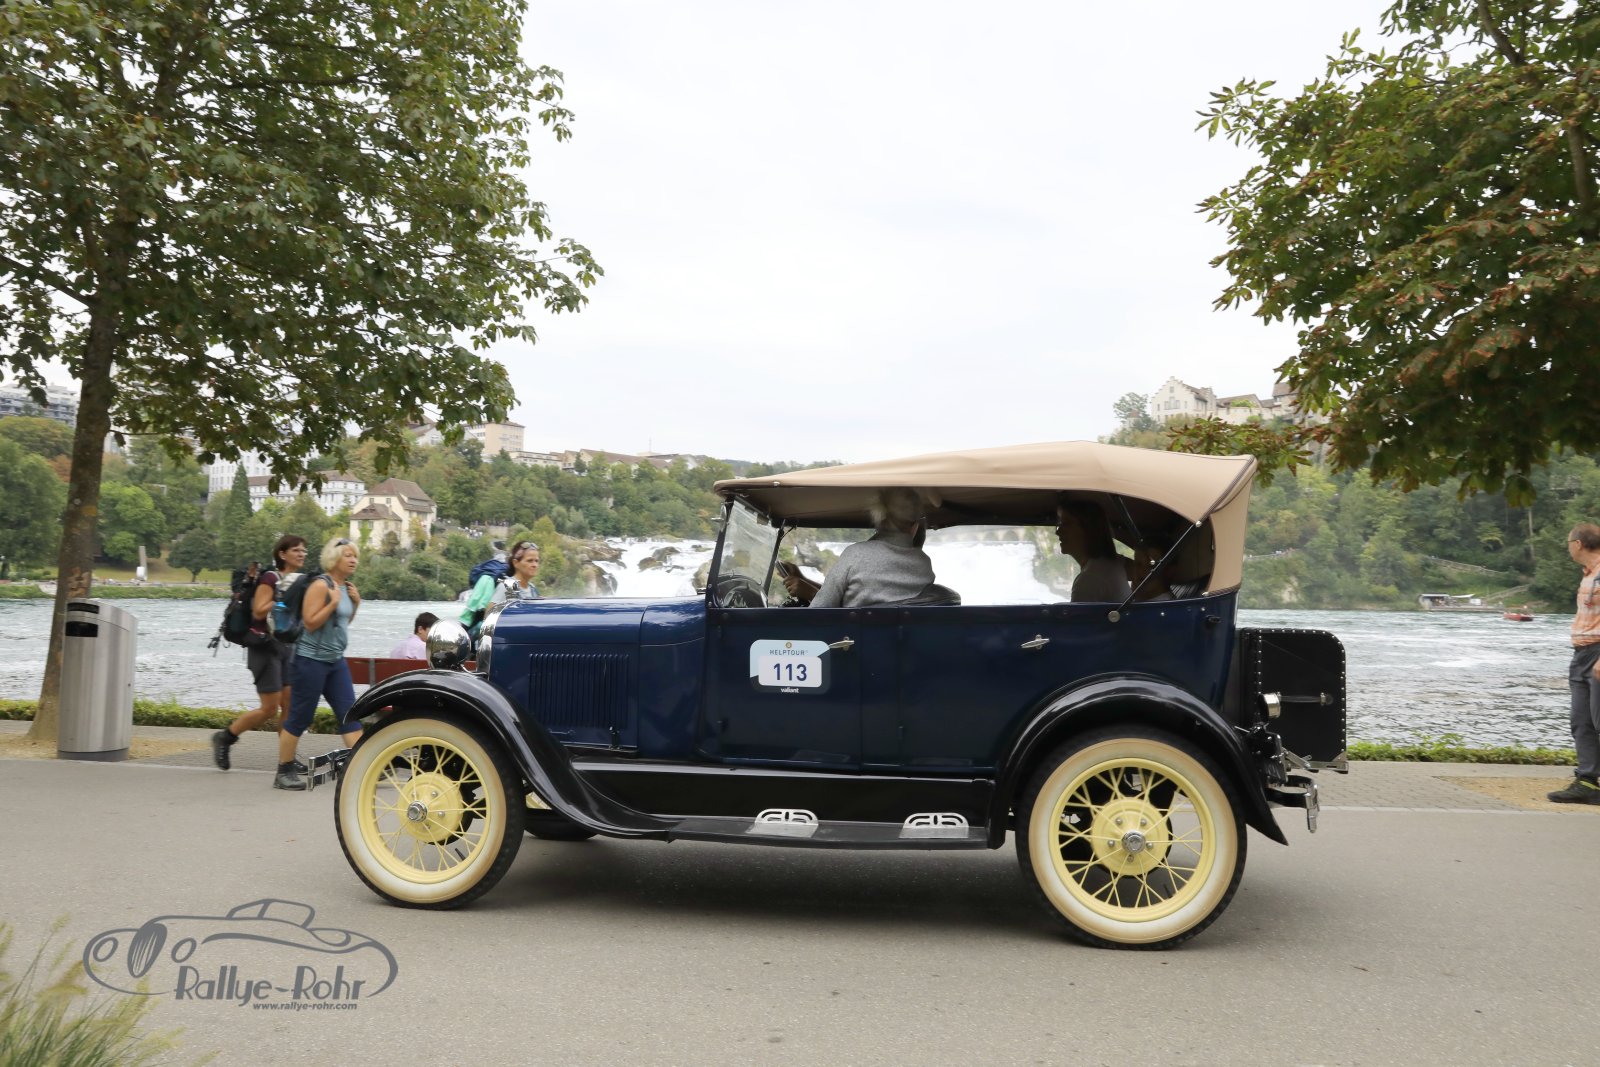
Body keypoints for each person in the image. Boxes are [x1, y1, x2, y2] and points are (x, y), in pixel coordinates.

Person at [275, 537, 364, 790]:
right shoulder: (320, 585)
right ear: (334, 558)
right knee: (300, 717)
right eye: (348, 555)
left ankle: (364, 766)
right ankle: (283, 770)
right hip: (310, 661)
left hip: (335, 661)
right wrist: (333, 602)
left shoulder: (345, 587)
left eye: (355, 556)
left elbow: (341, 623)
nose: (353, 560)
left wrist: (355, 603)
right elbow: (311, 623)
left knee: (350, 714)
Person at [212, 536, 307, 772]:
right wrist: (281, 601)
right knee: (269, 709)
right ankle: (226, 737)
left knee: (289, 705)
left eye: (304, 550)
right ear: (282, 554)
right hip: (263, 647)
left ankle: (287, 759)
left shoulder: (297, 580)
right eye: (296, 550)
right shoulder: (270, 578)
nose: (302, 554)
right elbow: (258, 611)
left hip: (286, 647)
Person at [784, 488, 936, 608]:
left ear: (879, 522)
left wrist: (810, 593)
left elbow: (820, 609)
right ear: (915, 527)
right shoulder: (924, 564)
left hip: (854, 638)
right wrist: (804, 580)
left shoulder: (855, 554)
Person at [1548, 523, 1600, 804]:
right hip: (1581, 654)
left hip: (1597, 653)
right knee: (1581, 721)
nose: (1568, 548)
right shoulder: (1588, 574)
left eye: (1569, 543)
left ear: (1578, 544)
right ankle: (1587, 782)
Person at [1056, 498, 1133, 603]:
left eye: (1066, 524)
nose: (1058, 532)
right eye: (1060, 524)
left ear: (1088, 529)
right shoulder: (1115, 562)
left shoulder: (1089, 579)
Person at [459, 539, 541, 632]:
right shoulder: (510, 587)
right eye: (530, 561)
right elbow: (488, 623)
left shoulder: (532, 589)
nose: (534, 565)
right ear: (515, 563)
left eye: (536, 561)